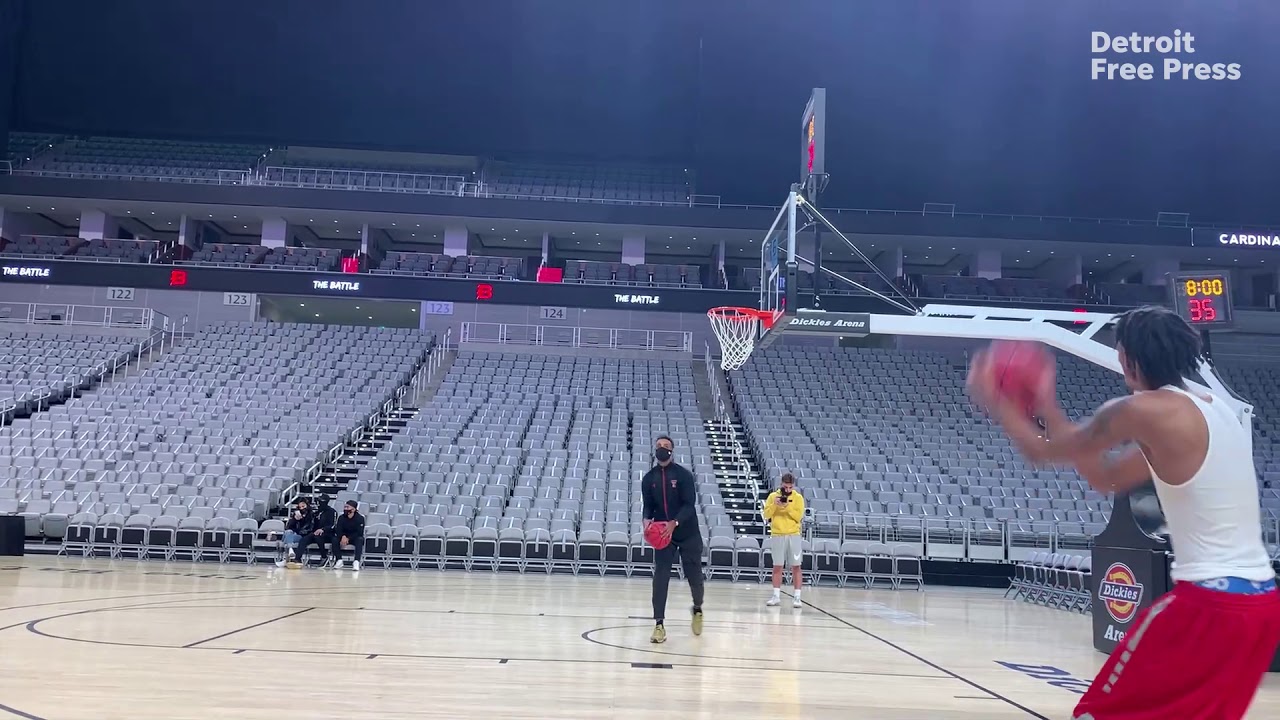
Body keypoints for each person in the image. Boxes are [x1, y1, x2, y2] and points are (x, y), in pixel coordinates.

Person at [968, 306, 1280, 720]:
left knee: (1097, 713)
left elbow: (1044, 452)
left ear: (1128, 358)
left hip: (1209, 603)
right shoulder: (1213, 407)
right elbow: (1108, 477)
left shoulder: (1140, 410)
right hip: (1262, 608)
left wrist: (1002, 401)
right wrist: (1047, 411)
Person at [641, 435, 705, 644]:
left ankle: (697, 608)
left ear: (672, 451)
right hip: (664, 535)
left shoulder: (683, 475)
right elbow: (648, 505)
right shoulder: (648, 479)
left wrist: (675, 522)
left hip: (687, 532)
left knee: (695, 577)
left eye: (666, 446)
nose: (661, 448)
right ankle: (659, 624)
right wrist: (646, 520)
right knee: (660, 577)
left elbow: (689, 504)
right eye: (658, 446)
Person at [763, 472, 805, 607]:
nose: (787, 490)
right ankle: (776, 595)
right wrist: (775, 505)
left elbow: (798, 517)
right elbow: (766, 515)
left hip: (794, 534)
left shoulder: (798, 498)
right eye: (785, 487)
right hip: (777, 534)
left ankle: (797, 597)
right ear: (781, 484)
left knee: (796, 566)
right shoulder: (772, 497)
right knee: (777, 566)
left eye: (790, 487)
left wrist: (787, 508)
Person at [276, 498, 314, 567]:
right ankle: (290, 551)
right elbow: (288, 527)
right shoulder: (296, 514)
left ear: (307, 505)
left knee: (288, 536)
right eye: (300, 507)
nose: (302, 508)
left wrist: (302, 520)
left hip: (304, 536)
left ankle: (287, 558)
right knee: (288, 533)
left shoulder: (311, 515)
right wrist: (295, 519)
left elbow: (308, 529)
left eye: (303, 506)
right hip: (294, 534)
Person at [331, 499, 365, 570]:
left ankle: (356, 561)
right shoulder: (341, 517)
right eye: (345, 507)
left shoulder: (360, 518)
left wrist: (348, 538)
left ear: (353, 509)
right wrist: (343, 536)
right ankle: (339, 560)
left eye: (347, 507)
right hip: (343, 537)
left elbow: (359, 532)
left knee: (360, 539)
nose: (345, 509)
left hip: (354, 538)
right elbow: (338, 529)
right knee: (334, 539)